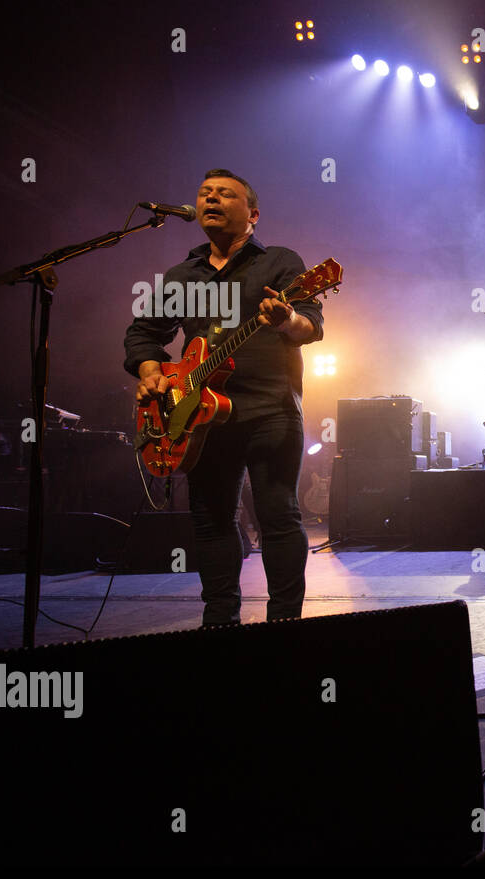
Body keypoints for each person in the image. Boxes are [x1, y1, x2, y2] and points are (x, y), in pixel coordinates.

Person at [124, 169, 324, 625]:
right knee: (211, 517)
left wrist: (285, 319)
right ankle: (219, 623)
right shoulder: (183, 274)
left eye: (225, 194)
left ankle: (286, 623)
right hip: (198, 413)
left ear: (252, 214)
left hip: (269, 408)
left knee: (278, 515)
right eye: (204, 193)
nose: (211, 198)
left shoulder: (279, 262)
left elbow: (310, 324)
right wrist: (153, 371)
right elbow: (143, 332)